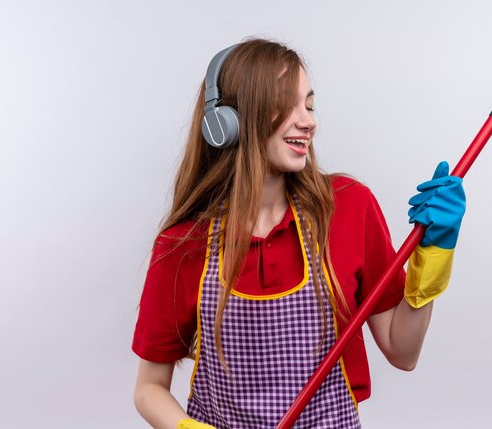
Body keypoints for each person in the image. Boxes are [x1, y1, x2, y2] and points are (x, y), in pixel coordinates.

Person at [132, 38, 466, 429]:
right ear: (229, 122)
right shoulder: (184, 245)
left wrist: (435, 252)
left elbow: (403, 351)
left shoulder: (348, 207)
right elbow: (149, 388)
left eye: (309, 104)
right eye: (284, 105)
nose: (308, 121)